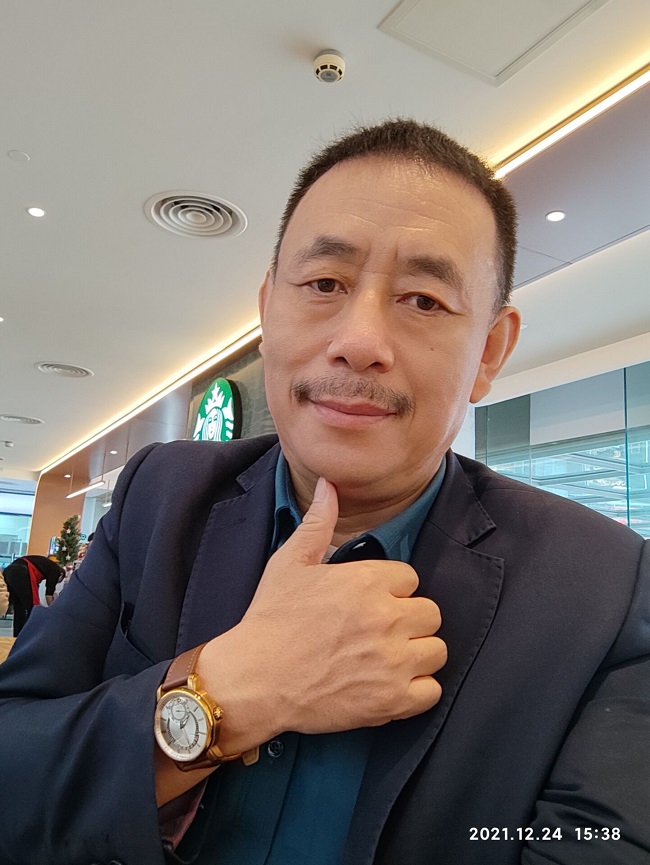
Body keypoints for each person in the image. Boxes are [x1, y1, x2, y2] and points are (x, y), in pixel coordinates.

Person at [0, 119, 648, 865]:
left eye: (424, 300)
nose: (359, 340)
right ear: (267, 310)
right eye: (324, 284)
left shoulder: (605, 587)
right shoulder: (158, 498)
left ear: (490, 352)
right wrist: (228, 693)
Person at [1, 554, 64, 636]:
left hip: (9, 571)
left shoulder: (45, 565)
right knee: (33, 609)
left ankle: (17, 636)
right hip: (22, 571)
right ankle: (30, 636)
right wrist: (53, 610)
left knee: (19, 608)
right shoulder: (56, 571)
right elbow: (48, 595)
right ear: (61, 575)